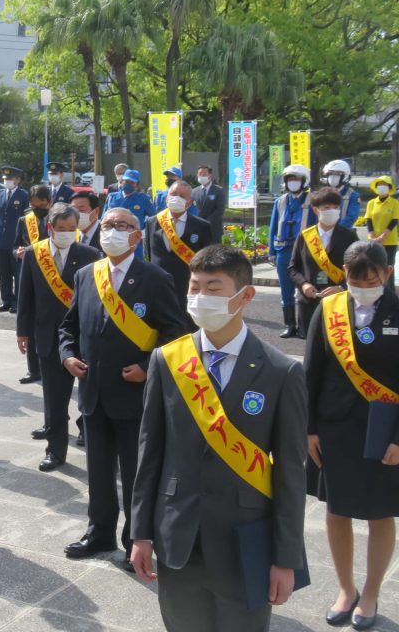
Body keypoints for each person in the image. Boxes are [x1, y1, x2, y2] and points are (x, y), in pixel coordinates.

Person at [130, 244, 308, 632]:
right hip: (178, 538)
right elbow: (150, 453)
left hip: (246, 543)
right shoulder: (167, 360)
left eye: (213, 288)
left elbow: (292, 472)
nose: (199, 298)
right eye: (194, 287)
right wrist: (140, 532)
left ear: (245, 296)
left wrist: (286, 558)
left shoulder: (282, 372)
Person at [58, 207, 189, 569]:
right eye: (108, 225)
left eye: (122, 226)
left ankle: (136, 541)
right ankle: (98, 532)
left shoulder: (155, 278)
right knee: (98, 473)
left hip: (134, 396)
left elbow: (177, 332)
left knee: (136, 475)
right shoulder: (87, 275)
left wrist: (148, 369)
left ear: (137, 236)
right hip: (93, 393)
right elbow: (68, 327)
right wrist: (67, 356)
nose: (113, 231)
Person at [305, 241, 399, 631]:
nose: (363, 285)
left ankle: (372, 590)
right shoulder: (328, 309)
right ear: (343, 275)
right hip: (334, 428)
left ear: (387, 275)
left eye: (371, 279)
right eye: (355, 279)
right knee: (337, 509)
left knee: (380, 513)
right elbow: (311, 371)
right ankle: (346, 589)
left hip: (385, 429)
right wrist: (309, 428)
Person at [17, 203, 102, 472]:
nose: (66, 233)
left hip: (83, 337)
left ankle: (90, 436)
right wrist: (22, 331)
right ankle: (55, 449)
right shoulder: (34, 254)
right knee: (54, 398)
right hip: (48, 336)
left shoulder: (90, 254)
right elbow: (25, 296)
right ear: (50, 227)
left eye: (72, 229)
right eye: (61, 228)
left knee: (90, 395)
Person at [288, 187, 358, 338]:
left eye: (336, 207)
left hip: (339, 301)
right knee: (311, 347)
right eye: (326, 207)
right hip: (309, 301)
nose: (332, 211)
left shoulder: (350, 237)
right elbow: (293, 268)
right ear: (316, 210)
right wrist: (303, 284)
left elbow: (358, 270)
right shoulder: (305, 236)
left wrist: (341, 287)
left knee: (338, 345)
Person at [144, 179, 214, 319]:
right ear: (166, 197)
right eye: (173, 194)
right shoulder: (152, 222)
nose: (176, 198)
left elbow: (207, 262)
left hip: (187, 290)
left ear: (189, 202)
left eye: (182, 196)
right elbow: (149, 255)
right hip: (158, 288)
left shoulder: (202, 226)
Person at [269, 164, 317, 338]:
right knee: (285, 289)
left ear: (304, 181)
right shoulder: (280, 201)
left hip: (305, 251)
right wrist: (271, 251)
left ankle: (305, 326)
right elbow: (273, 227)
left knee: (305, 286)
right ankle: (290, 325)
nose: (293, 183)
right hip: (283, 250)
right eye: (290, 179)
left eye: (296, 179)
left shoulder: (312, 201)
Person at [12, 184, 52, 384]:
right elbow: (15, 245)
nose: (38, 209)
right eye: (34, 205)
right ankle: (33, 369)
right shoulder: (24, 221)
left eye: (42, 205)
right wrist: (18, 252)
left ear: (49, 202)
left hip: (54, 279)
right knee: (30, 321)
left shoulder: (58, 219)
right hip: (30, 277)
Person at [0, 165, 28, 313]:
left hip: (16, 241)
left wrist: (25, 240)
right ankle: (6, 300)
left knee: (17, 273)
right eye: (6, 178)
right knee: (4, 272)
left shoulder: (24, 195)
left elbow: (27, 220)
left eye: (11, 178)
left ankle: (17, 302)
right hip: (2, 239)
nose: (8, 181)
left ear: (18, 180)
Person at [364, 174, 399, 290]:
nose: (381, 187)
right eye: (379, 185)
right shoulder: (371, 203)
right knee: (373, 266)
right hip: (373, 241)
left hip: (389, 241)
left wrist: (383, 236)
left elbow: (394, 220)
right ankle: (374, 289)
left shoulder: (394, 203)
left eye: (384, 185)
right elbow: (368, 219)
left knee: (388, 267)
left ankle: (389, 293)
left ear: (389, 188)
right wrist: (373, 236)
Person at [321, 160, 362, 230]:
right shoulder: (322, 193)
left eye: (337, 174)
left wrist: (334, 230)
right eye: (330, 173)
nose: (332, 176)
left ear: (345, 176)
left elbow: (351, 217)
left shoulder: (352, 195)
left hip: (343, 233)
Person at [193, 165, 227, 240]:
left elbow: (220, 210)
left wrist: (206, 221)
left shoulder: (219, 190)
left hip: (214, 229)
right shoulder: (194, 191)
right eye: (199, 174)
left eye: (204, 174)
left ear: (210, 175)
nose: (201, 176)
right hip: (198, 228)